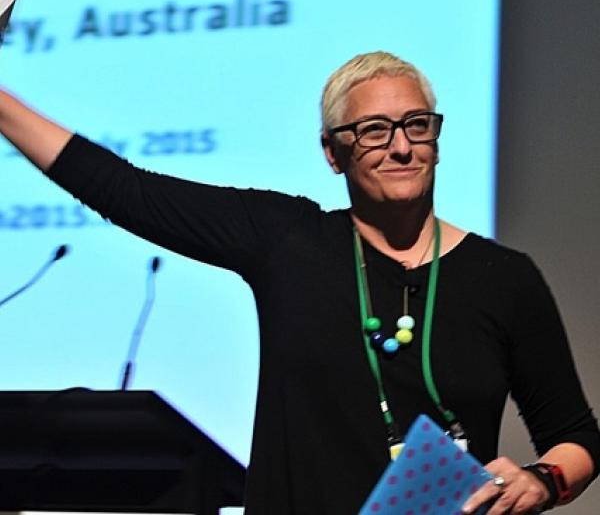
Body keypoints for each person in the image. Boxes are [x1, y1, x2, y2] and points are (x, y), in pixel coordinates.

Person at [1, 51, 599, 514]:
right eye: (373, 131)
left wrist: (542, 481)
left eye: (416, 125)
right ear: (333, 154)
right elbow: (124, 190)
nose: (399, 146)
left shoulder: (504, 278)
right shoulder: (288, 242)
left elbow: (576, 437)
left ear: (436, 140)